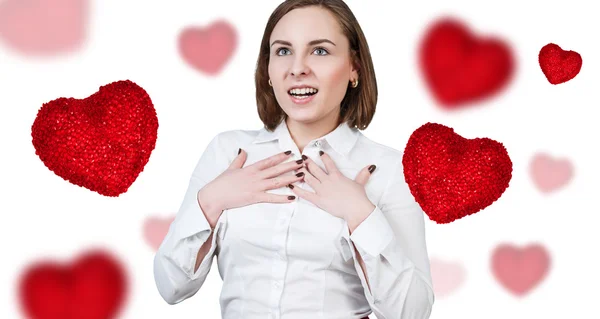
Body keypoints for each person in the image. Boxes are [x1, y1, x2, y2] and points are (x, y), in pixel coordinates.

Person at [153, 0, 435, 318]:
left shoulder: (390, 171)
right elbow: (170, 286)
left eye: (320, 51)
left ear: (354, 66)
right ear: (269, 70)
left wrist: (361, 214)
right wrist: (211, 201)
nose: (297, 68)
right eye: (284, 51)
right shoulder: (227, 152)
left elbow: (413, 312)